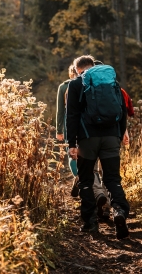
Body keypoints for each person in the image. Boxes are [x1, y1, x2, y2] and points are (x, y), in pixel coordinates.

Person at [66, 55, 130, 238]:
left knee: (86, 180)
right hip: (111, 137)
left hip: (87, 140)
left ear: (78, 70)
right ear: (94, 66)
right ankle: (120, 212)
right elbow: (122, 110)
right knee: (112, 180)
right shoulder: (111, 83)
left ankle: (90, 223)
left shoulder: (76, 84)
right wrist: (119, 134)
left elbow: (72, 116)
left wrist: (72, 143)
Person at [56, 65, 111, 212]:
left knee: (92, 169)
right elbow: (62, 111)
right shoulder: (65, 87)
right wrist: (59, 130)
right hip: (78, 132)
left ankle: (101, 203)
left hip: (90, 134)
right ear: (74, 72)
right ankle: (85, 185)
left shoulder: (100, 84)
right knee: (81, 168)